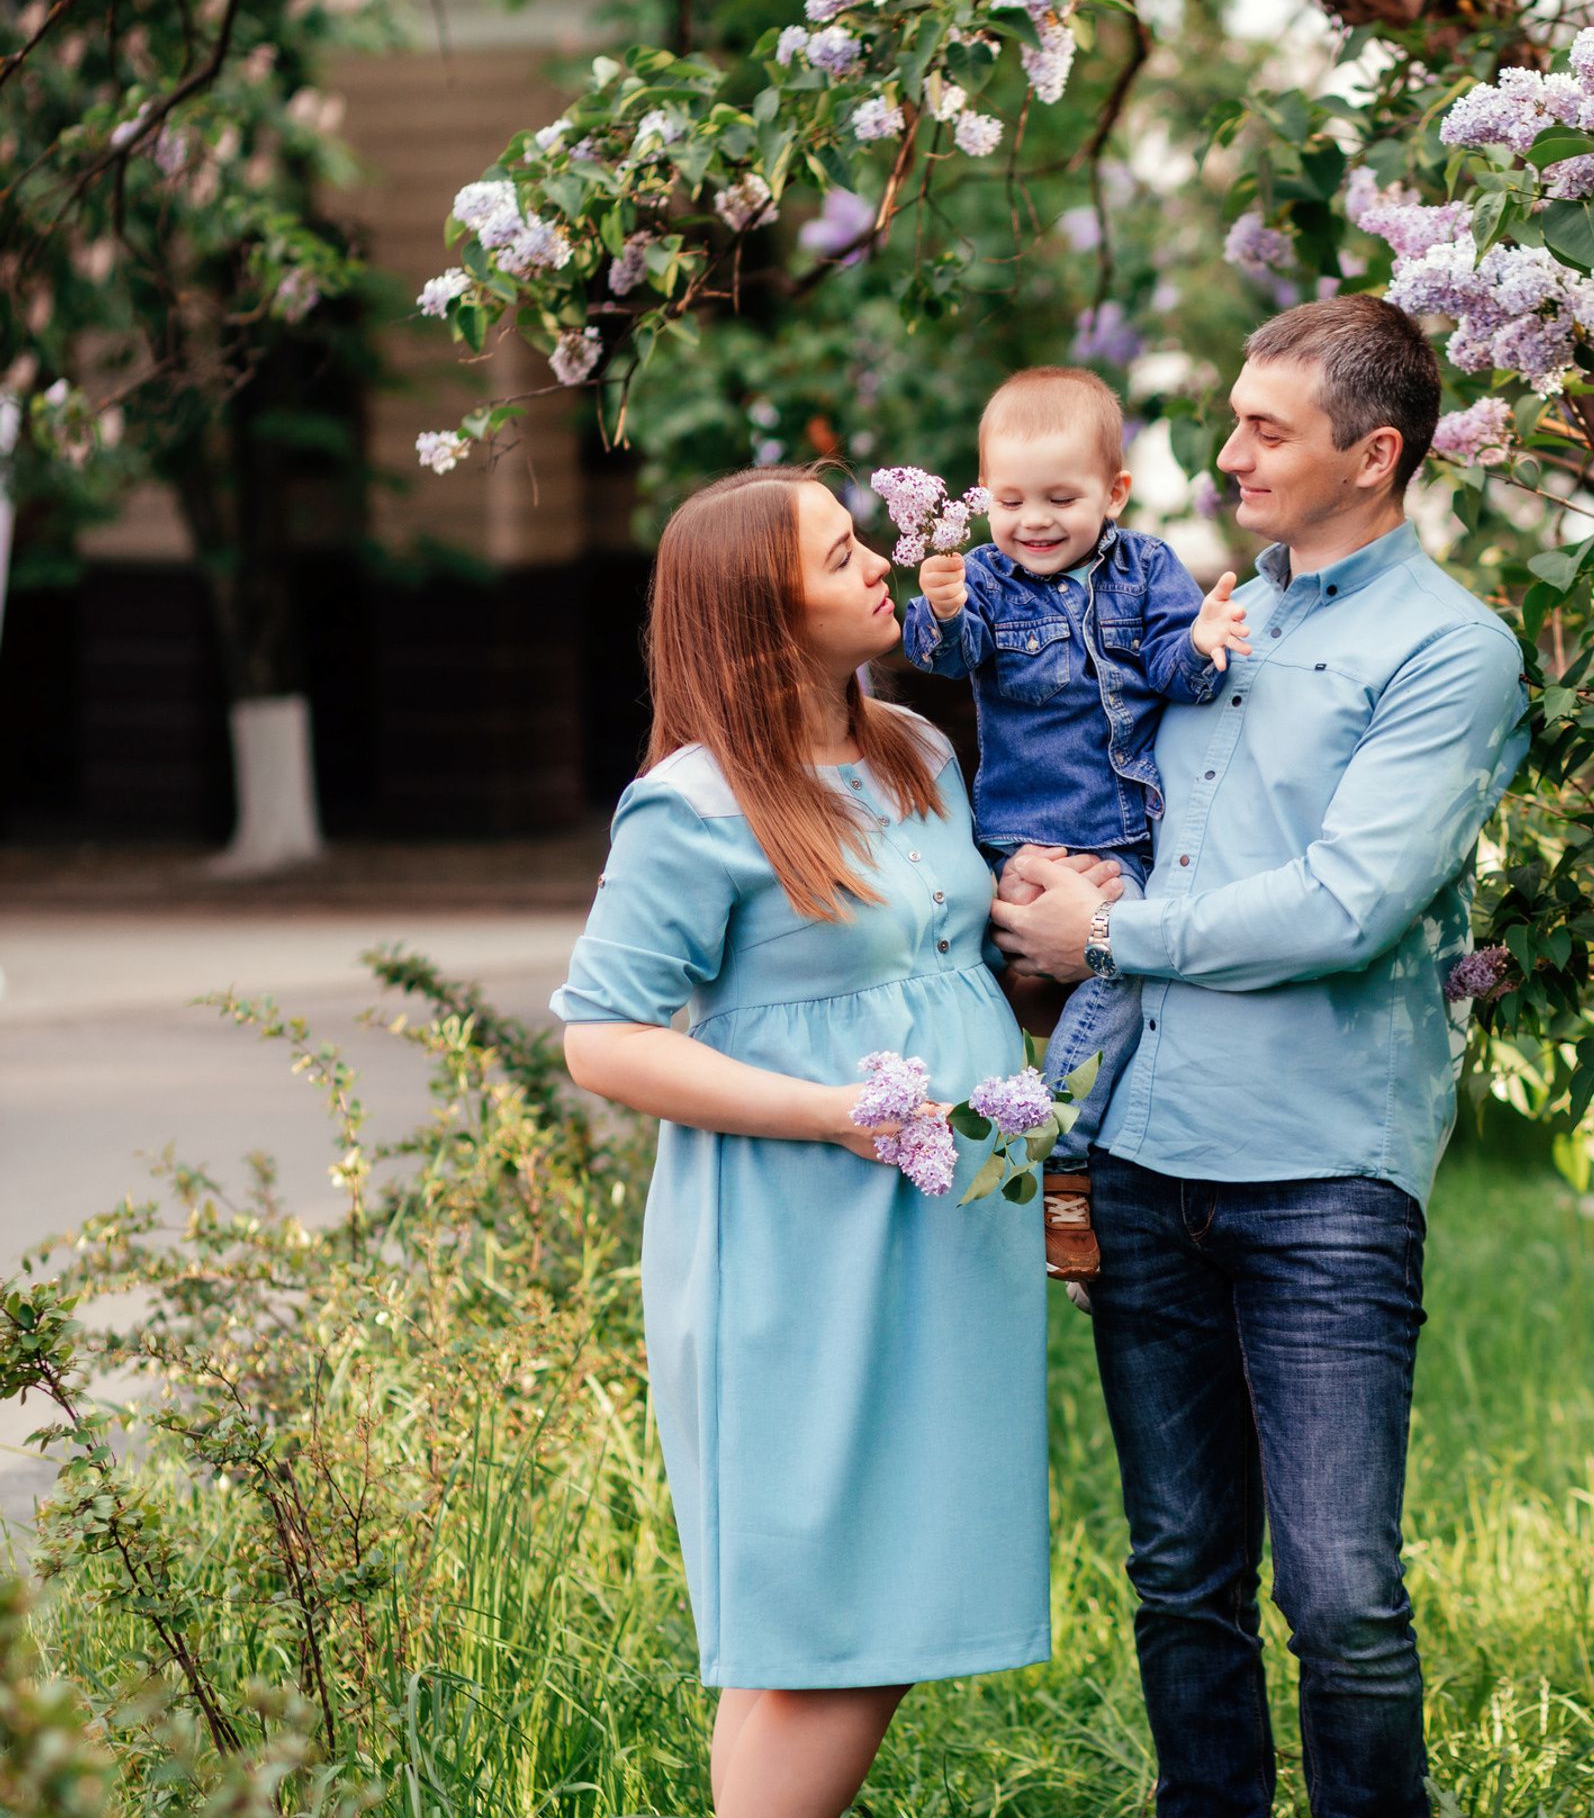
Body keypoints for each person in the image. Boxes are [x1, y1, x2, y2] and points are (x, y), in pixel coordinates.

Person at [989, 297, 1531, 1818]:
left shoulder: (1452, 654)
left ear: (1375, 454)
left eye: (1265, 430)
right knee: (1179, 1579)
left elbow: (1351, 906)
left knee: (1345, 1600)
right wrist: (1039, 887)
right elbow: (1100, 806)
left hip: (1321, 1185)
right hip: (1144, 1162)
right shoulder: (1212, 617)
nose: (1225, 453)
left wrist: (1117, 938)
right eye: (1230, 418)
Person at [552, 466, 1052, 1818]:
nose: (881, 563)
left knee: (837, 1628)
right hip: (799, 1241)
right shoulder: (695, 805)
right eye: (842, 558)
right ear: (764, 615)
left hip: (948, 1242)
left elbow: (956, 964)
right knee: (828, 1618)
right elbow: (601, 1038)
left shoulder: (917, 749)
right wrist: (838, 1113)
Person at [902, 367, 1248, 1282]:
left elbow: (1181, 672)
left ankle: (1056, 1148)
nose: (1035, 521)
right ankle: (938, 1128)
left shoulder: (1149, 571)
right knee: (970, 969)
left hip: (1124, 842)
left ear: (1115, 494)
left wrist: (1203, 644)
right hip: (1018, 838)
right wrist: (940, 611)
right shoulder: (982, 579)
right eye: (1011, 500)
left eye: (1063, 497)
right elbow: (948, 655)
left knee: (1122, 974)